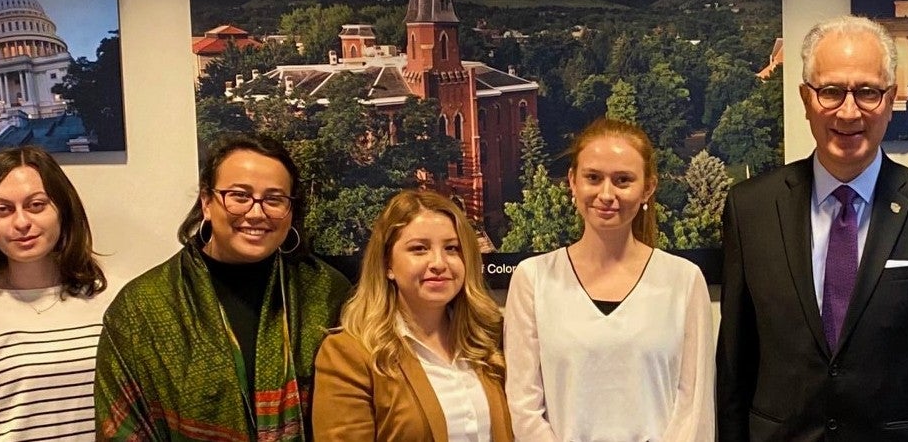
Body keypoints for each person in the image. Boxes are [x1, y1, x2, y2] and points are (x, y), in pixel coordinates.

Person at [718, 15, 908, 442]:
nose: (849, 111)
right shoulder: (750, 209)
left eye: (867, 92)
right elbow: (734, 370)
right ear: (806, 99)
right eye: (830, 92)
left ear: (891, 99)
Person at [94, 133, 352, 440]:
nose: (256, 213)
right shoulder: (142, 308)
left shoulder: (325, 292)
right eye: (240, 196)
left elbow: (353, 412)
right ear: (207, 202)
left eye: (274, 199)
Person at [506, 118, 714, 441]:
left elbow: (694, 410)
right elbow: (523, 407)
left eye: (622, 180)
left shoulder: (684, 282)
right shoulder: (532, 280)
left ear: (648, 187)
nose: (606, 194)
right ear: (572, 182)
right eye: (593, 178)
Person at [0, 146, 114, 441]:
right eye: (3, 209)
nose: (21, 222)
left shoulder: (109, 300)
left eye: (36, 205)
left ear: (62, 210)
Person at [314, 189, 513, 441]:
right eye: (419, 249)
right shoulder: (348, 355)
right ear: (387, 265)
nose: (439, 263)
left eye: (452, 248)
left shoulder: (490, 341)